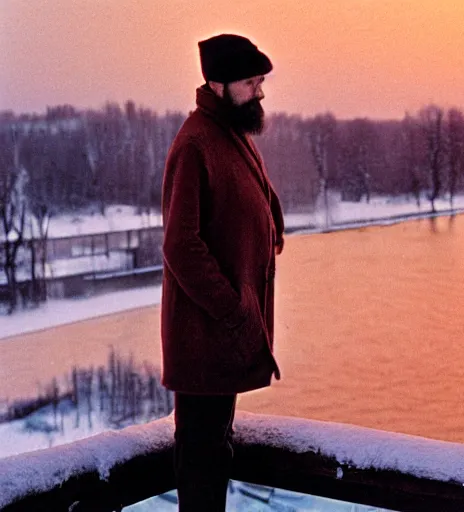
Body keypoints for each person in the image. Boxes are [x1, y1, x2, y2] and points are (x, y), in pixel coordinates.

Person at [160, 33, 285, 511]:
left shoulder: (228, 133)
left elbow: (250, 194)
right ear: (218, 83)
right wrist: (233, 312)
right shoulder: (195, 142)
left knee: (215, 451)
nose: (259, 92)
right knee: (202, 461)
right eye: (251, 82)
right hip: (204, 337)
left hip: (219, 338)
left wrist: (271, 219)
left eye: (260, 81)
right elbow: (180, 245)